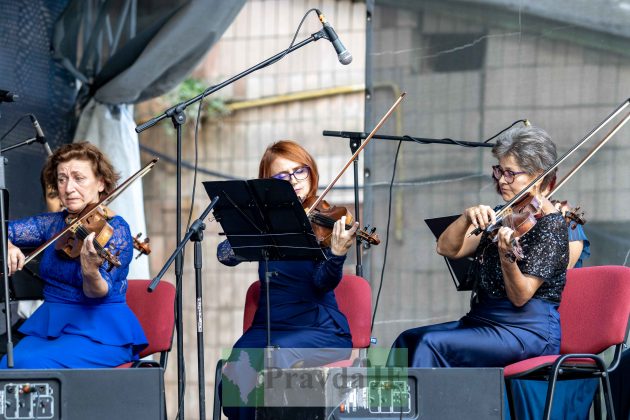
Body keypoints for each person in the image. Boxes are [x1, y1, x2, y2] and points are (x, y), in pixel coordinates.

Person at [218, 140, 358, 419]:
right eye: (282, 176)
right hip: (269, 326)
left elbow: (322, 282)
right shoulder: (261, 222)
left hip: (318, 328)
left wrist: (337, 254)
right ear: (267, 183)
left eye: (300, 171)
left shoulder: (326, 219)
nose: (293, 181)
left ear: (311, 173)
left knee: (276, 358)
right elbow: (225, 255)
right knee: (235, 372)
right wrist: (262, 230)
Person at [0, 142, 147, 368]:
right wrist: (8, 244)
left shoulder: (116, 231)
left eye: (79, 178)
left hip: (98, 332)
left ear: (101, 183)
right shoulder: (54, 223)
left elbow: (97, 292)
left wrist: (90, 270)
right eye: (62, 179)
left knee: (23, 364)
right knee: (7, 364)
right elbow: (4, 229)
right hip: (51, 325)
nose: (68, 188)